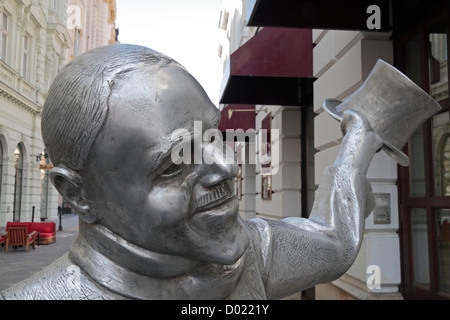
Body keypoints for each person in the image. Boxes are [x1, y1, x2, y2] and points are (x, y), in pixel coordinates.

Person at [0, 44, 382, 300]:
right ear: (77, 195)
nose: (228, 166)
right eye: (173, 165)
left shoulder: (251, 256)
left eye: (214, 136)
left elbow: (335, 241)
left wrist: (365, 126)